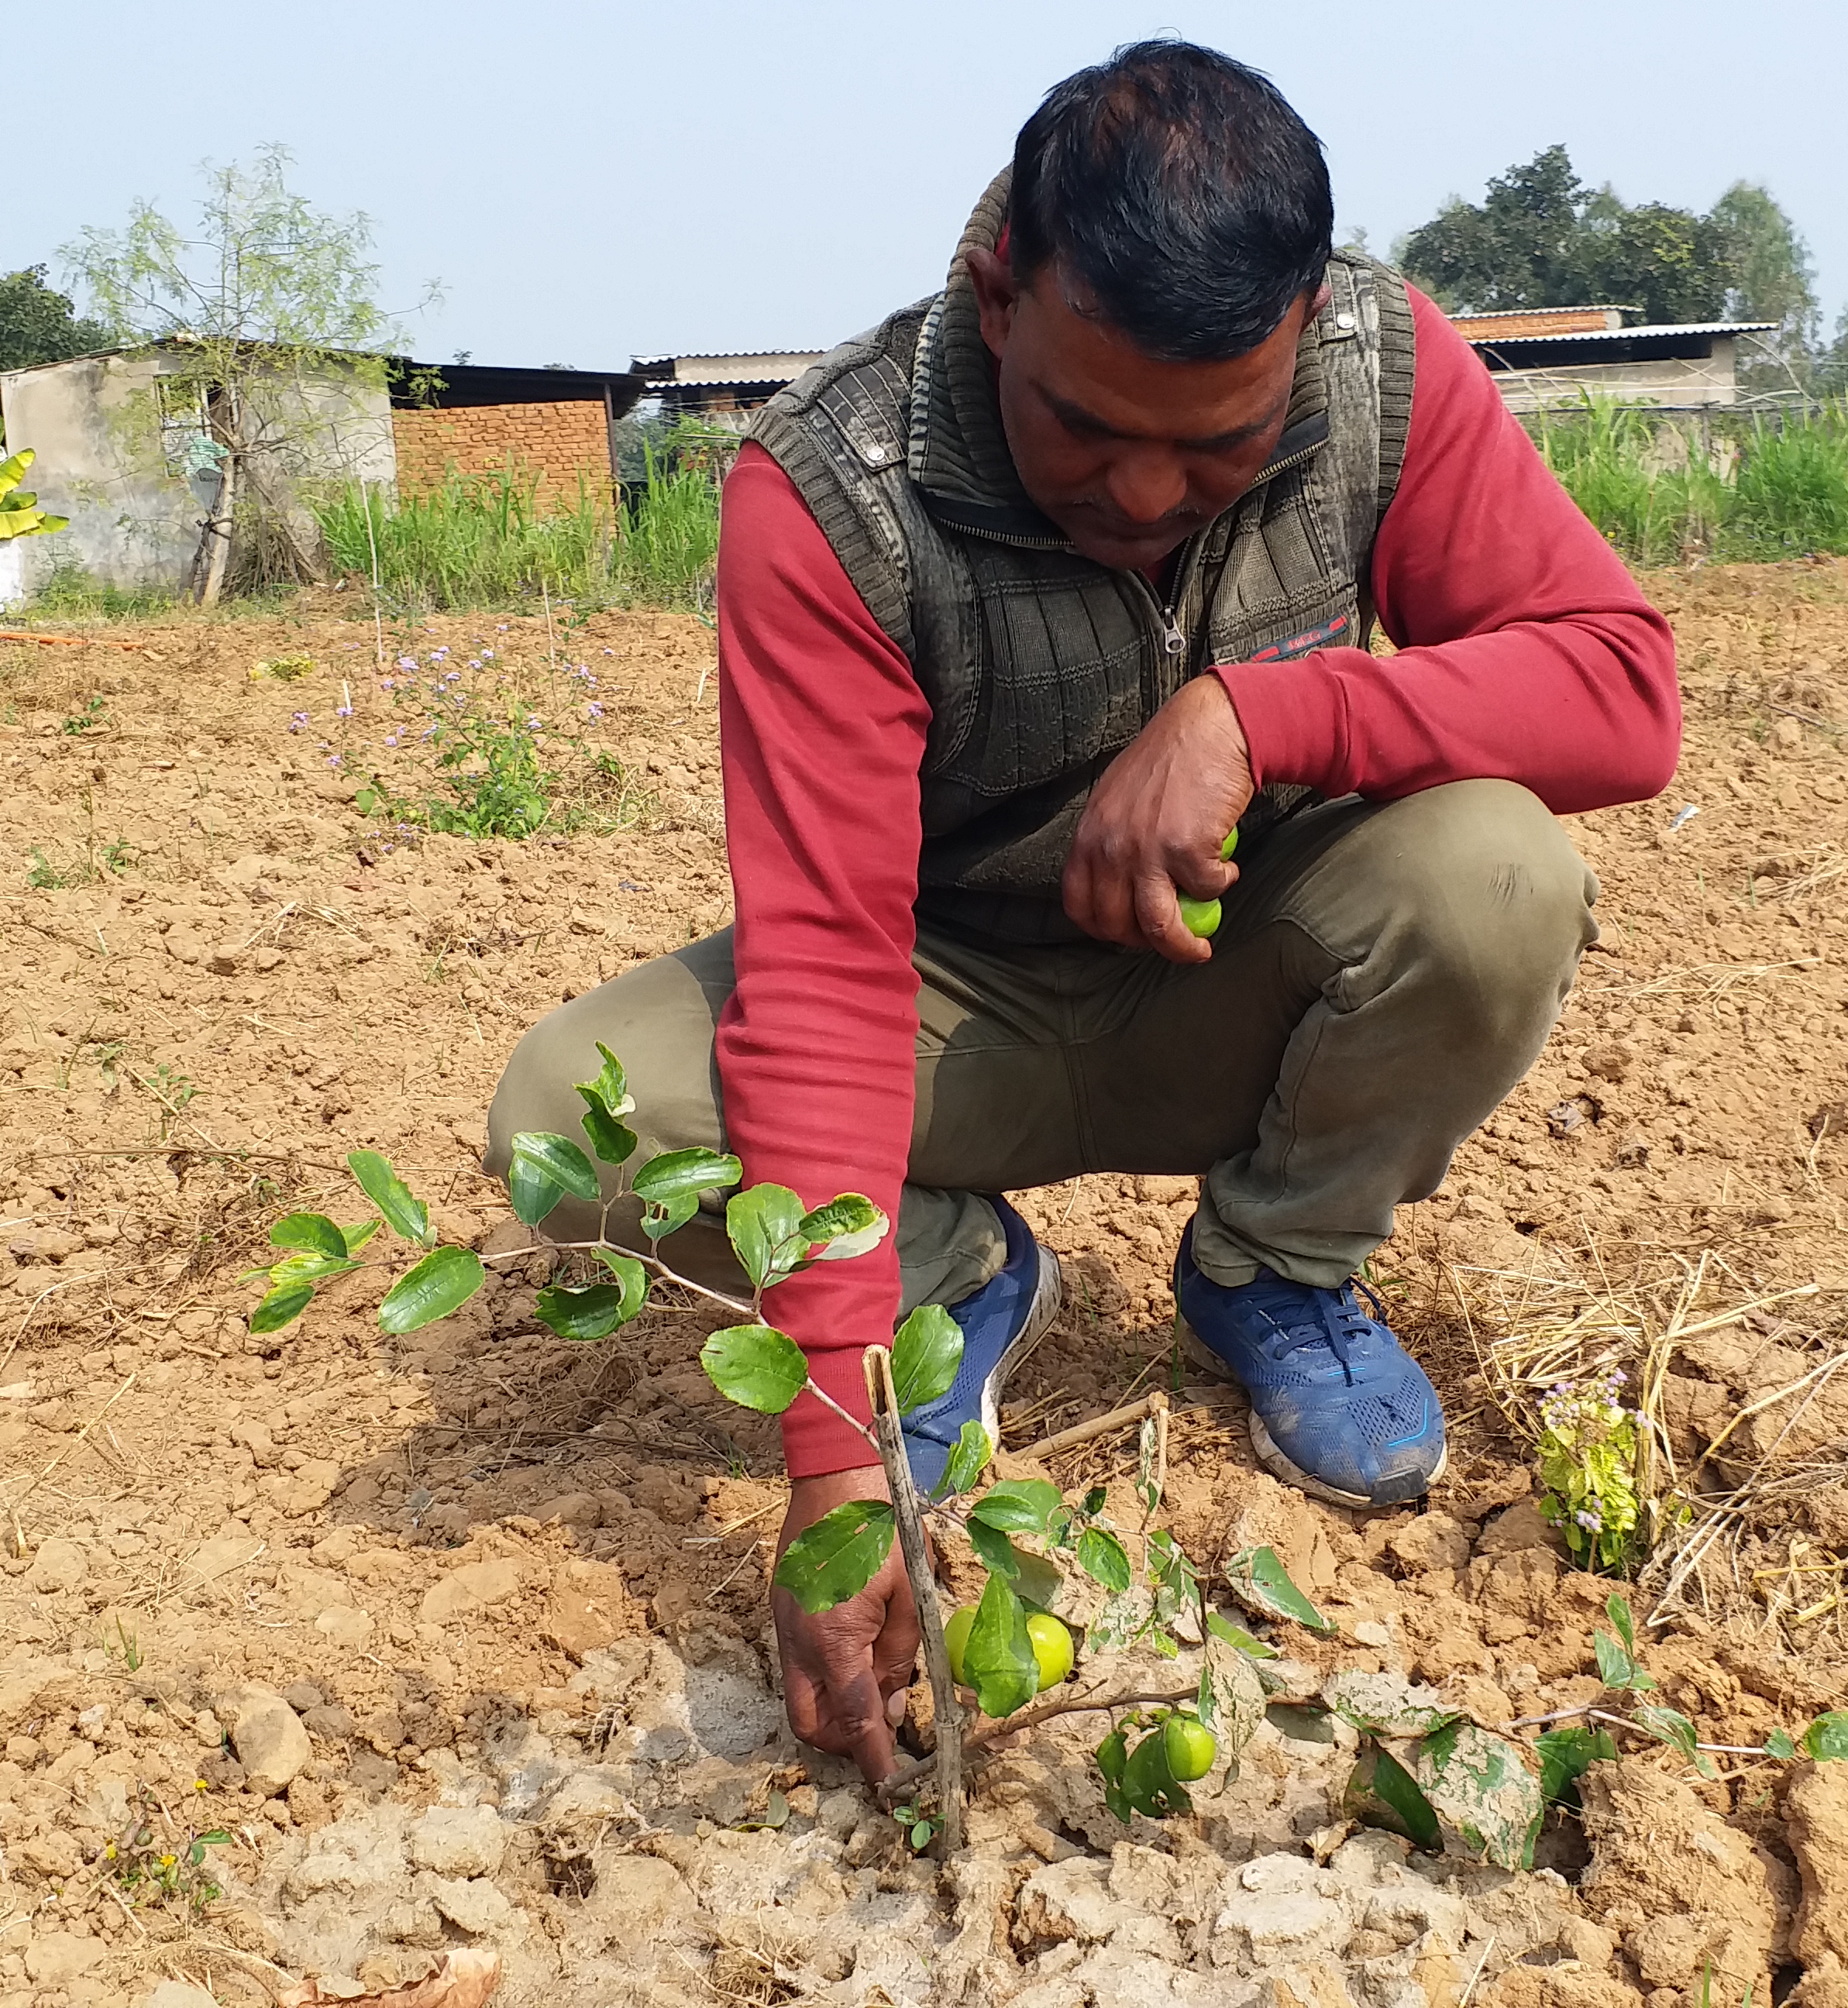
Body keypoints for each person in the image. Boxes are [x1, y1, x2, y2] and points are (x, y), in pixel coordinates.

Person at [487, 40, 1680, 1783]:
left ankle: (1278, 1270)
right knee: (568, 1125)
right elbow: (821, 968)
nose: (1140, 497)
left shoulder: (1384, 369)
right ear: (999, 297)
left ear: (1292, 339)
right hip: (944, 1005)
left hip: (1234, 982)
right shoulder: (833, 494)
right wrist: (837, 1460)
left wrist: (1269, 713)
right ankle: (953, 1279)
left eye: (1215, 454)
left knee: (1498, 870)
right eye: (1086, 428)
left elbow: (1621, 695)